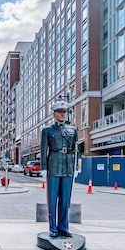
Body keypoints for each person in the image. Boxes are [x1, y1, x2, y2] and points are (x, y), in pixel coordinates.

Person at [40, 100, 78, 238]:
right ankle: (53, 227)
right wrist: (44, 167)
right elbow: (44, 149)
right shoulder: (47, 130)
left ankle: (64, 227)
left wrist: (76, 166)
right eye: (60, 112)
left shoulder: (73, 130)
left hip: (68, 165)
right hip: (54, 164)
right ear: (54, 114)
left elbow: (75, 150)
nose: (63, 114)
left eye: (64, 112)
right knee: (52, 198)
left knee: (65, 198)